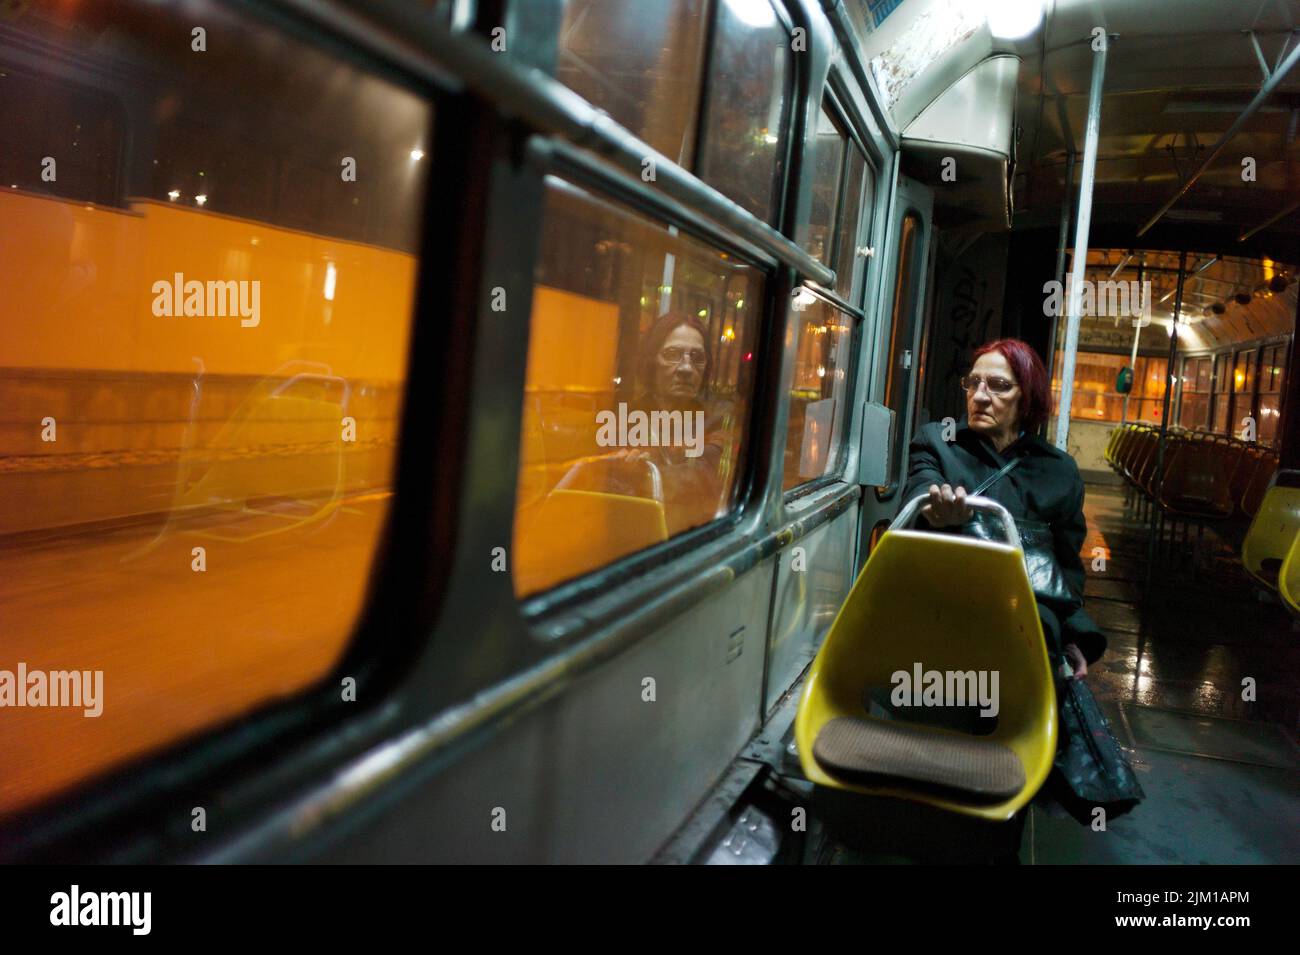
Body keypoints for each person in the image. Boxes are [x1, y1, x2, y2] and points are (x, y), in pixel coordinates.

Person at [900, 337, 1106, 678]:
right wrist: (933, 509)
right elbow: (921, 487)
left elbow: (1066, 569)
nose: (980, 396)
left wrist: (1073, 636)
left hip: (1024, 613)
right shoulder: (938, 441)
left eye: (998, 386)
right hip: (944, 596)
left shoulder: (1058, 471)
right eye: (973, 383)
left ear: (1027, 398)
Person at [609, 311, 731, 535]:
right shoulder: (623, 419)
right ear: (652, 360)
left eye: (697, 357)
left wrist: (642, 472)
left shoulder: (715, 422)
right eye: (673, 354)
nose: (686, 368)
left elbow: (706, 482)